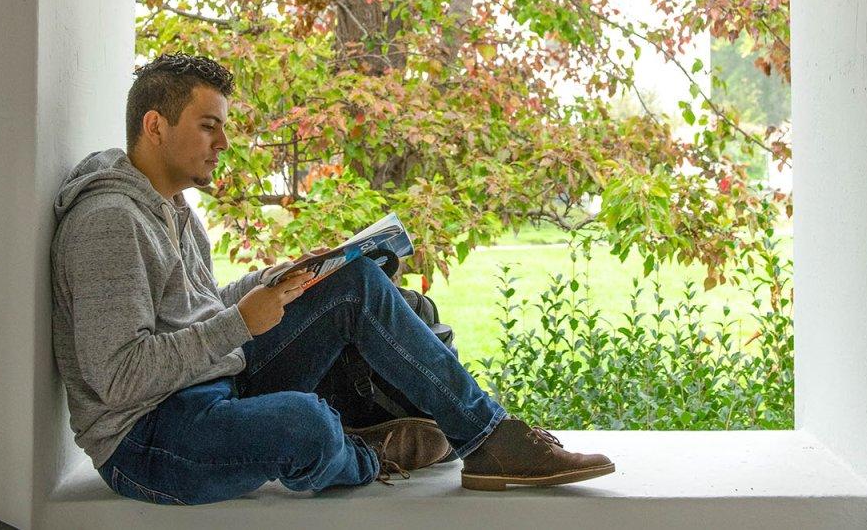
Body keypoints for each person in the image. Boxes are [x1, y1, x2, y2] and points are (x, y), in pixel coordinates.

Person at [49, 53, 615, 505]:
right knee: (307, 425)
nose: (222, 143)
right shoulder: (109, 223)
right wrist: (239, 325)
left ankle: (491, 438)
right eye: (208, 126)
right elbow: (116, 378)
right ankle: (366, 452)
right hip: (150, 439)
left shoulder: (170, 207)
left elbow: (196, 308)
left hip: (210, 384)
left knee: (355, 282)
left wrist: (276, 280)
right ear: (155, 125)